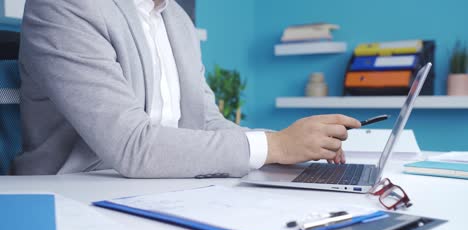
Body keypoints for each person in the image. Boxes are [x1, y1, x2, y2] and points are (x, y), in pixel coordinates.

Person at [11, 0, 361, 178]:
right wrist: (275, 146)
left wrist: (291, 145)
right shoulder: (64, 6)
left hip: (162, 186)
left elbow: (206, 122)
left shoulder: (176, 17)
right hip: (71, 195)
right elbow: (132, 147)